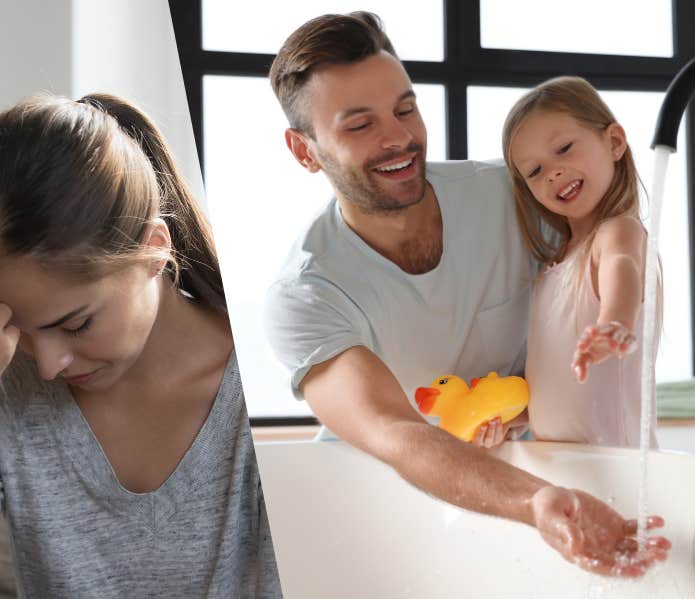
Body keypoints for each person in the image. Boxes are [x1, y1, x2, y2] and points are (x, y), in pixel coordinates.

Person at [263, 11, 669, 576]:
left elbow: (602, 254)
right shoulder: (306, 294)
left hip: (515, 482)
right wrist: (534, 500)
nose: (399, 138)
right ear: (305, 151)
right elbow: (396, 431)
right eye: (359, 125)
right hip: (373, 514)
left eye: (405, 108)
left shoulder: (513, 197)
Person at [0, 94, 281, 598]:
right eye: (15, 325)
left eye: (76, 324)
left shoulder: (269, 386)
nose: (46, 365)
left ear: (154, 248)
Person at [503, 76, 660, 448]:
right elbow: (560, 379)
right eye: (536, 171)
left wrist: (614, 324)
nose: (553, 172)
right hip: (565, 465)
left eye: (564, 148)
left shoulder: (617, 232)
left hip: (618, 462)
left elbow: (623, 267)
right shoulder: (551, 268)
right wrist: (521, 415)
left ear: (614, 143)